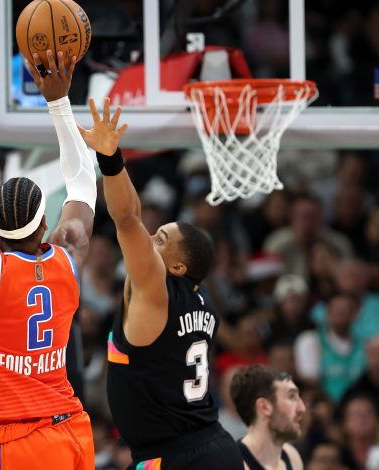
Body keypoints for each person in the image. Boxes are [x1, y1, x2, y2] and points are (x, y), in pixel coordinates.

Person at [0, 29, 98, 469]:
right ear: (46, 225)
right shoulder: (67, 255)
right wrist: (58, 101)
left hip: (22, 444)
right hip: (73, 430)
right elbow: (82, 183)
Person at [86, 101, 243, 469]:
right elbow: (135, 217)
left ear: (177, 265)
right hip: (211, 446)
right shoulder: (202, 300)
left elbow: (127, 218)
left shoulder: (155, 289)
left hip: (176, 456)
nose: (148, 241)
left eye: (159, 240)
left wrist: (110, 159)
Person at [229, 365, 305, 470]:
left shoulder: (292, 457)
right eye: (291, 397)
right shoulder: (234, 465)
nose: (302, 408)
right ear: (264, 407)